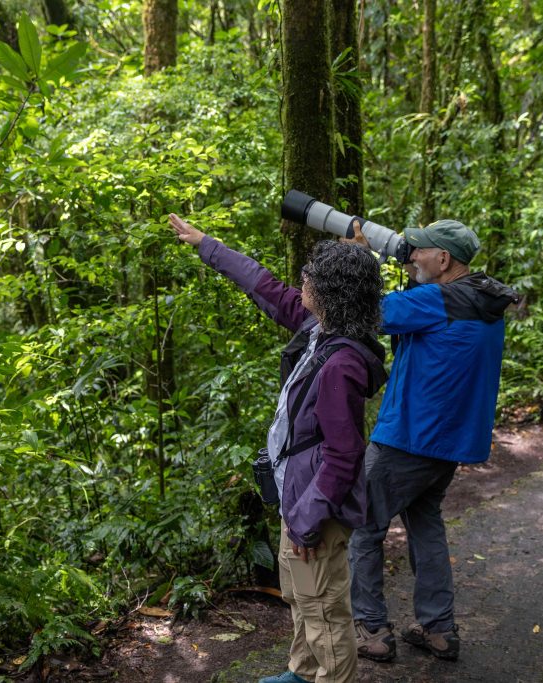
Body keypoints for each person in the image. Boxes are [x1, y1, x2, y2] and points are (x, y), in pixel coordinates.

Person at [168, 213, 388, 683]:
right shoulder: (318, 329)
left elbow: (344, 455)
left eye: (311, 277)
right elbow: (265, 286)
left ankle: (328, 675)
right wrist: (207, 245)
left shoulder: (341, 363)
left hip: (316, 508)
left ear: (331, 293)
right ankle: (302, 672)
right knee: (301, 595)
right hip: (298, 492)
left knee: (325, 612)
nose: (301, 280)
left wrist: (306, 522)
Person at [344, 219, 520, 663]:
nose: (409, 257)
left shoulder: (439, 299)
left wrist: (363, 258)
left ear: (443, 260)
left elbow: (371, 313)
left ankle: (372, 628)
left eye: (418, 251)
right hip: (447, 443)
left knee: (364, 526)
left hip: (409, 438)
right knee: (425, 527)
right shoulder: (481, 298)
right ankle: (438, 628)